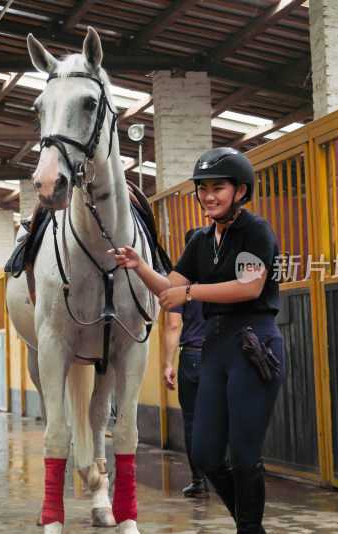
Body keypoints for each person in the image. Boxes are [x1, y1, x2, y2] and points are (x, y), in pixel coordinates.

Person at [110, 147, 284, 533]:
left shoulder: (256, 229)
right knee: (205, 453)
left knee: (243, 454)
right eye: (202, 188)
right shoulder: (201, 240)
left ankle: (248, 529)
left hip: (254, 346)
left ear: (240, 190)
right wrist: (140, 266)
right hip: (215, 349)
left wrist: (192, 294)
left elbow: (250, 287)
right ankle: (249, 523)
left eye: (217, 188)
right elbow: (170, 289)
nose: (209, 196)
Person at [163, 228, 208, 499]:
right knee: (227, 417)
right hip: (224, 354)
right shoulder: (224, 277)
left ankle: (199, 481)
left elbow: (173, 325)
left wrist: (168, 363)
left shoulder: (180, 284)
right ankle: (234, 477)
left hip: (192, 355)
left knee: (192, 421)